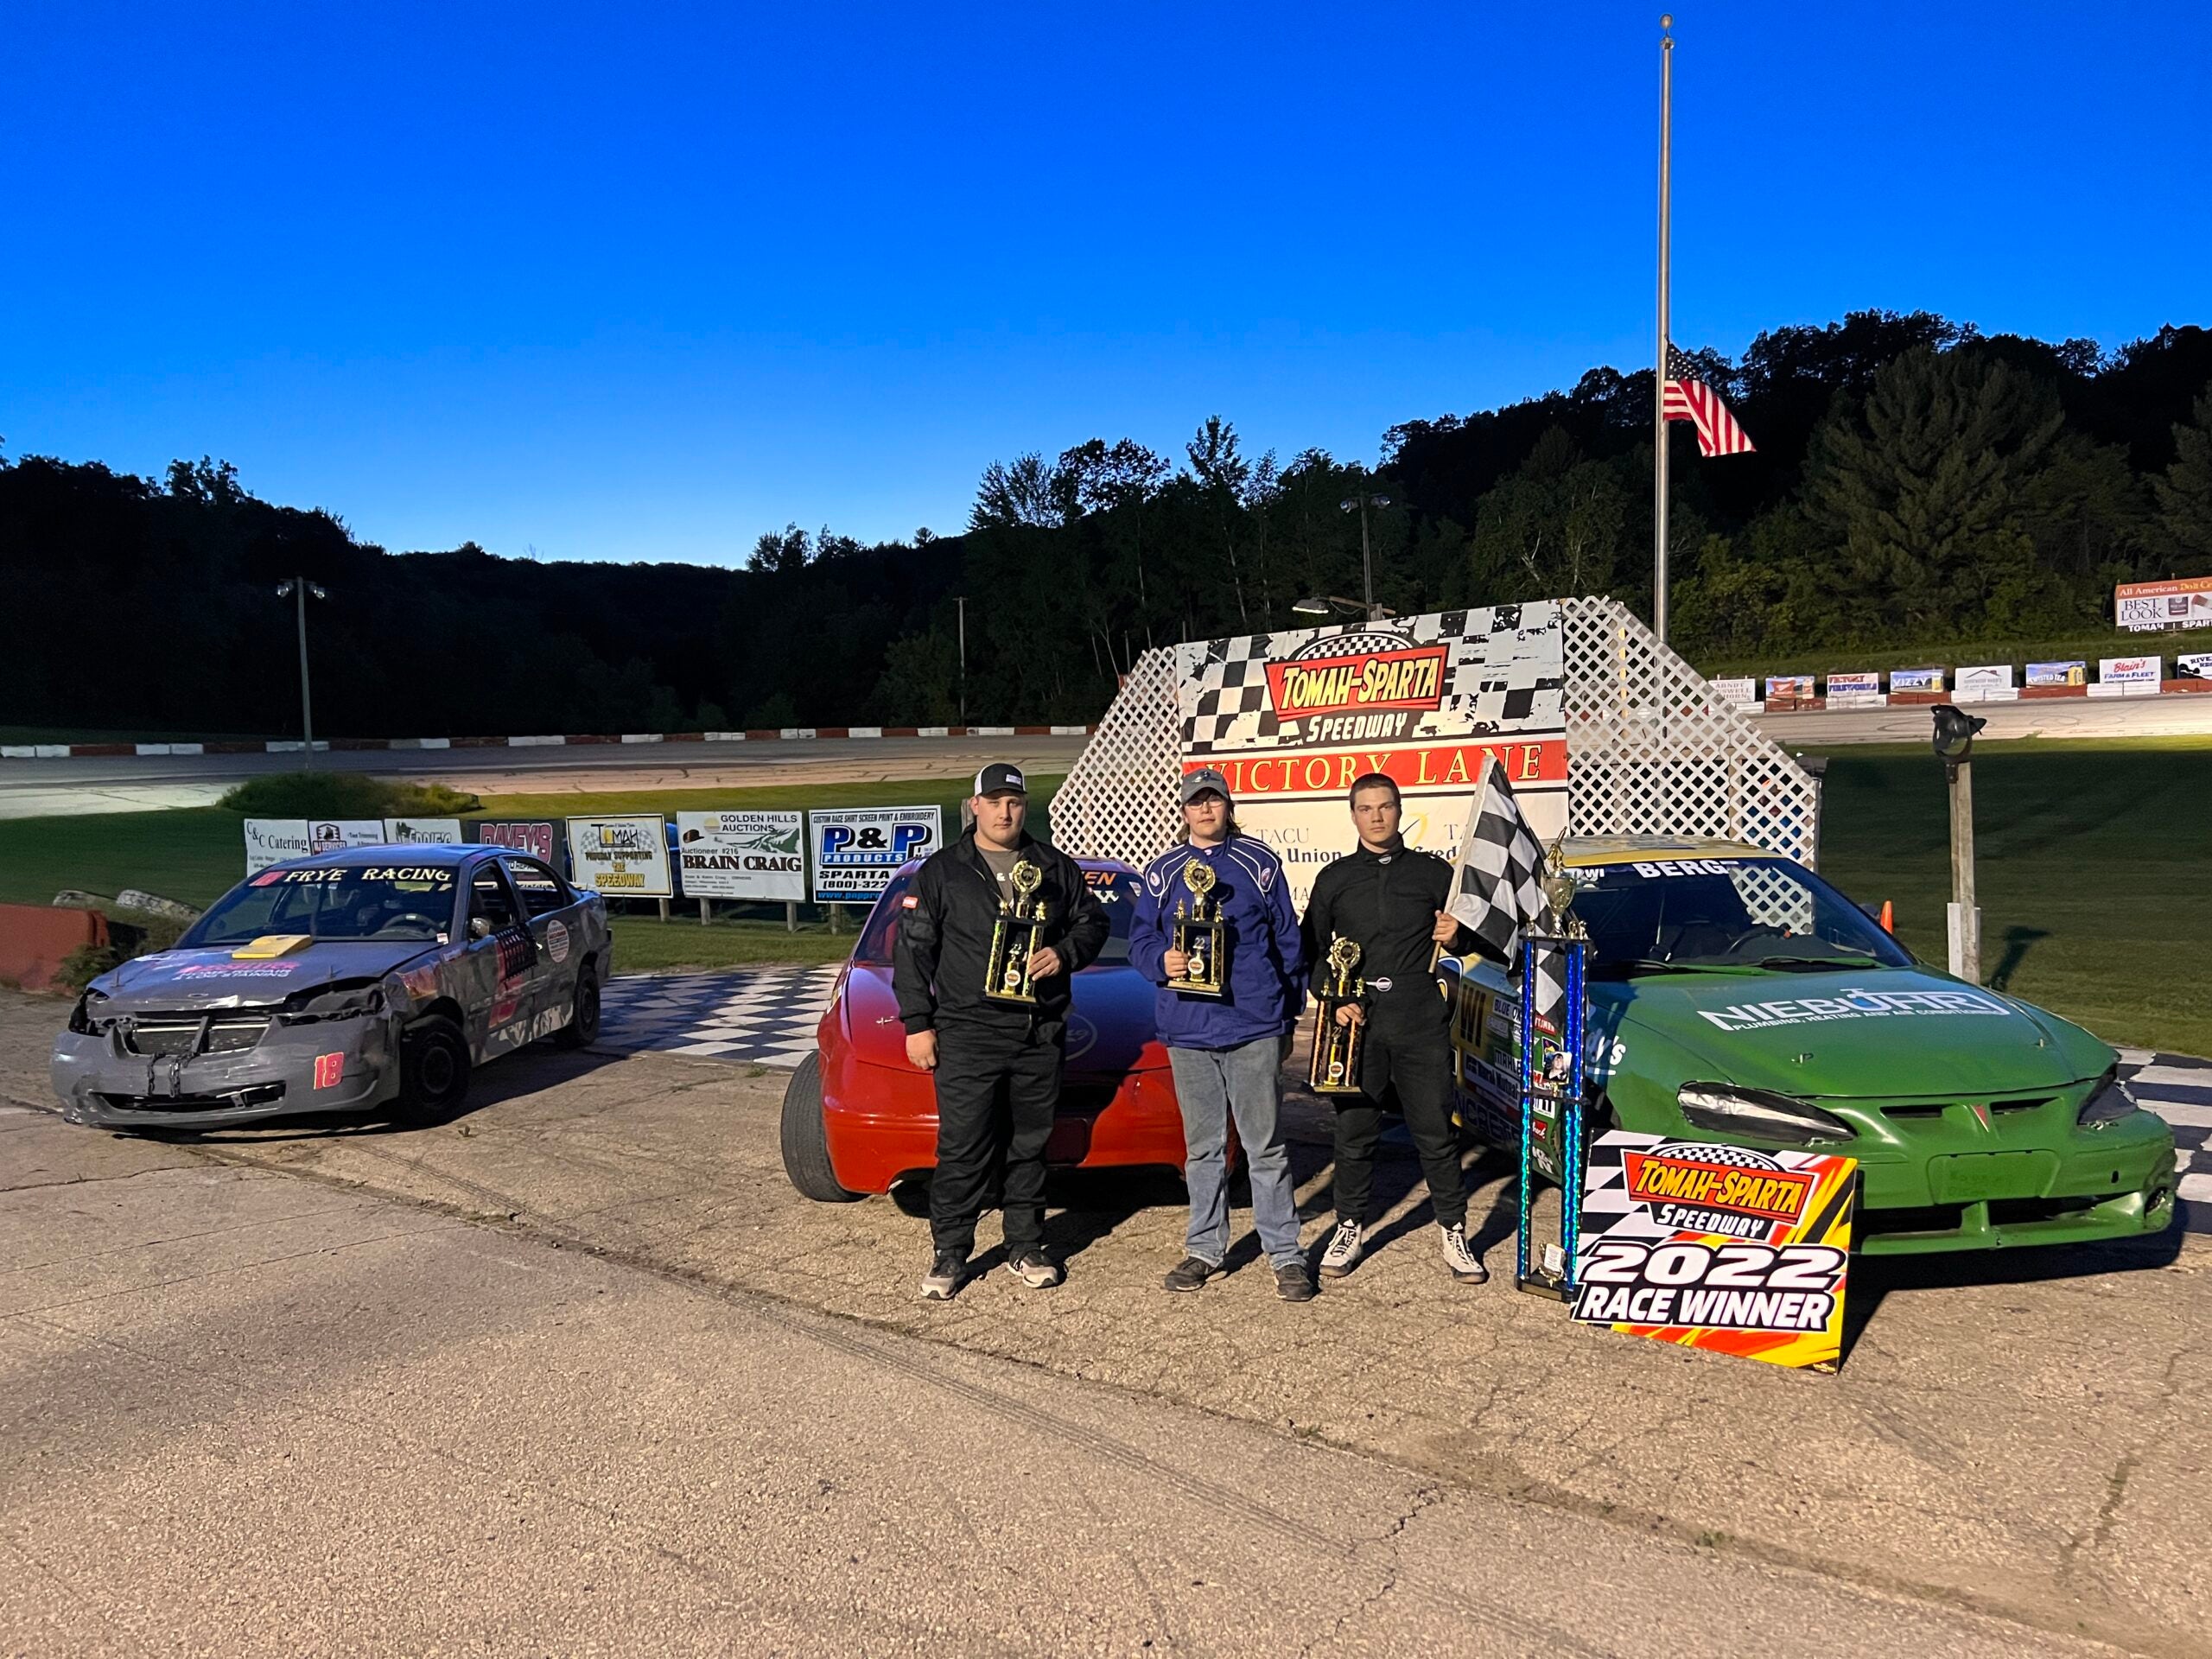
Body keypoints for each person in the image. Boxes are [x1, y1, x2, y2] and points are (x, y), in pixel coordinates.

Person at [893, 762, 1110, 1300]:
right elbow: (914, 951)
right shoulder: (943, 871)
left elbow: (1094, 923)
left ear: (1024, 805)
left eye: (1013, 801)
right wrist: (918, 1024)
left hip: (1038, 1031)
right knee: (964, 1145)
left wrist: (1064, 953)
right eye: (994, 801)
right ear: (975, 807)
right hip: (968, 1031)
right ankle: (950, 1252)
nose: (1005, 811)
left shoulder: (1054, 867)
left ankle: (1026, 1243)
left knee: (1030, 1145)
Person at [1128, 768, 1314, 1303]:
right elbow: (1142, 937)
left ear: (1228, 807)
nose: (1205, 810)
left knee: (1266, 1146)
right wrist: (1161, 961)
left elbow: (1286, 939)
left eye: (1214, 801)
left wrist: (1287, 1013)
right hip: (1188, 1028)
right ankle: (1205, 1247)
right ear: (1183, 810)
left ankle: (1285, 1253)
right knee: (1203, 1148)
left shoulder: (1259, 864)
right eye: (1196, 802)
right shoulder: (1162, 872)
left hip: (1251, 1023)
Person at [1299, 772, 1488, 1284]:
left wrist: (1458, 933)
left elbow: (1483, 941)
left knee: (1434, 1132)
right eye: (1365, 808)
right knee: (1355, 1132)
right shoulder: (1334, 880)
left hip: (1418, 1015)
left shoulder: (1433, 874)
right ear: (1353, 814)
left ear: (1399, 810)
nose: (1376, 816)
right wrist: (1334, 998)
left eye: (1385, 807)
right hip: (1357, 1023)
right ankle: (1349, 1226)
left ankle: (1453, 1230)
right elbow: (1311, 953)